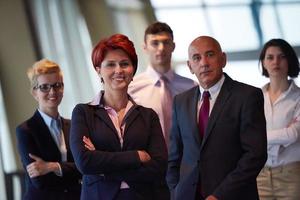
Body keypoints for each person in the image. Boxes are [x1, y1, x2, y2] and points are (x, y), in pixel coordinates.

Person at [166, 36, 267, 200]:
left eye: (210, 55)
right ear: (190, 66)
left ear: (223, 59)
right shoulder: (180, 101)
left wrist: (220, 195)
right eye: (197, 58)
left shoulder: (248, 96)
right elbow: (174, 155)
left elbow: (255, 155)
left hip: (232, 195)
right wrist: (174, 191)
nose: (204, 63)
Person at [70, 34, 168, 200]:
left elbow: (158, 167)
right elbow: (84, 162)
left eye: (124, 64)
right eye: (110, 65)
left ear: (133, 70)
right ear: (98, 70)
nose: (118, 70)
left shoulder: (148, 116)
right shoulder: (83, 113)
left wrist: (102, 166)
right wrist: (137, 156)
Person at [16, 59, 81, 200]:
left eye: (57, 85)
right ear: (34, 92)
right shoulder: (25, 131)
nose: (52, 92)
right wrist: (71, 170)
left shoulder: (74, 126)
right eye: (44, 87)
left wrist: (52, 167)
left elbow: (85, 167)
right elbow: (40, 181)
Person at [128, 21, 196, 146]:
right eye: (155, 43)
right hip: (149, 160)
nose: (161, 48)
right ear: (145, 48)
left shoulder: (192, 87)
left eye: (166, 42)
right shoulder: (131, 89)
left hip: (186, 160)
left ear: (173, 46)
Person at [256, 38, 300, 200]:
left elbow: (294, 134)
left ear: (290, 60)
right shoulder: (254, 97)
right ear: (263, 63)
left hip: (292, 174)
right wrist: (281, 135)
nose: (276, 62)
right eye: (270, 57)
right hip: (260, 174)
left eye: (282, 57)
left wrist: (260, 137)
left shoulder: (298, 97)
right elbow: (245, 134)